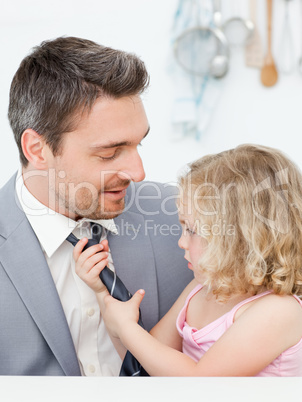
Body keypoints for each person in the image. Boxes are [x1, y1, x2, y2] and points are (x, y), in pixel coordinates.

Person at [0, 36, 193, 376]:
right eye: (109, 153)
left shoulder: (186, 219)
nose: (138, 172)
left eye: (138, 143)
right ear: (36, 149)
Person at [75, 144, 302, 376]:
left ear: (243, 240)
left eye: (192, 230)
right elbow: (143, 364)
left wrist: (126, 328)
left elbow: (198, 383)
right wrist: (102, 293)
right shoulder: (201, 288)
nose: (181, 242)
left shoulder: (279, 311)